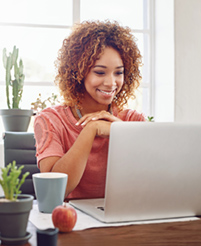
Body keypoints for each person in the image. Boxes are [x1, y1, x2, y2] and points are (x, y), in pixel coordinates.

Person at [34, 20, 145, 200]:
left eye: (118, 72)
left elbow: (148, 182)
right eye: (100, 72)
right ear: (78, 72)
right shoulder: (50, 120)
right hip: (72, 221)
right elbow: (54, 191)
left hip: (123, 220)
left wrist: (121, 131)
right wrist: (91, 130)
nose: (111, 83)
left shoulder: (133, 120)